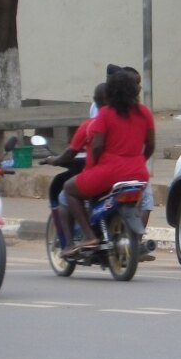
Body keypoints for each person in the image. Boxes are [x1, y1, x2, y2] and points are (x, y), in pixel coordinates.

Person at [62, 70, 153, 258]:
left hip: (108, 172)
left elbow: (97, 146)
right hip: (138, 173)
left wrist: (93, 165)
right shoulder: (144, 113)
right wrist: (138, 162)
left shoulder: (105, 114)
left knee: (69, 189)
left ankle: (89, 237)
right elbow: (151, 145)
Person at [40, 83, 105, 249]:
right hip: (134, 174)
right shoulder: (135, 118)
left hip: (102, 174)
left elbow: (72, 153)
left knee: (66, 193)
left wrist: (55, 160)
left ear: (96, 103)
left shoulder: (92, 125)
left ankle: (71, 244)